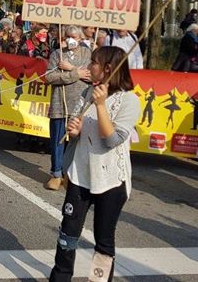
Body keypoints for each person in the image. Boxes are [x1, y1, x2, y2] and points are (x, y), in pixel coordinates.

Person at [50, 46, 140, 281]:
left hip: (110, 180)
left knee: (104, 239)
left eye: (94, 62)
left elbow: (112, 139)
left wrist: (101, 106)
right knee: (67, 234)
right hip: (81, 175)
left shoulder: (129, 101)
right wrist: (75, 130)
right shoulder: (87, 92)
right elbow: (77, 124)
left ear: (108, 68)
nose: (89, 67)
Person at [44, 26, 92, 191]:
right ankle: (56, 174)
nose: (70, 40)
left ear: (80, 39)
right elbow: (49, 77)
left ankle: (70, 175)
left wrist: (72, 69)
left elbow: (91, 76)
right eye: (68, 36)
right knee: (57, 140)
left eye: (74, 37)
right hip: (60, 102)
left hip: (80, 105)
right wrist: (75, 75)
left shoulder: (88, 54)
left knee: (76, 142)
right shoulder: (57, 54)